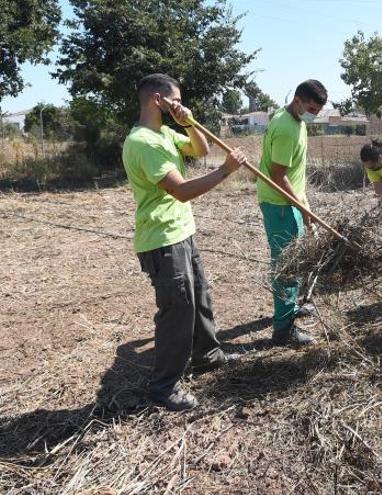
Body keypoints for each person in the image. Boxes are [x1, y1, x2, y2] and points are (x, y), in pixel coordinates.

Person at [122, 73, 247, 411]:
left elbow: (199, 148)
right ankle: (164, 386)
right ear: (157, 100)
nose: (180, 104)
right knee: (178, 310)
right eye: (175, 99)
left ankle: (207, 354)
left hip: (182, 232)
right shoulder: (143, 142)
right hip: (162, 239)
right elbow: (180, 190)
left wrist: (189, 122)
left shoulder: (164, 133)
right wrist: (225, 171)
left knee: (200, 297)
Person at [257, 79, 327, 346]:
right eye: (310, 109)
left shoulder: (293, 120)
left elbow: (292, 174)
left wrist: (305, 208)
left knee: (296, 260)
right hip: (280, 204)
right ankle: (283, 330)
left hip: (291, 201)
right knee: (286, 265)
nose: (313, 115)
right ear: (297, 100)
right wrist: (300, 206)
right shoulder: (287, 128)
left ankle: (291, 308)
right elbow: (278, 175)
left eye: (317, 112)